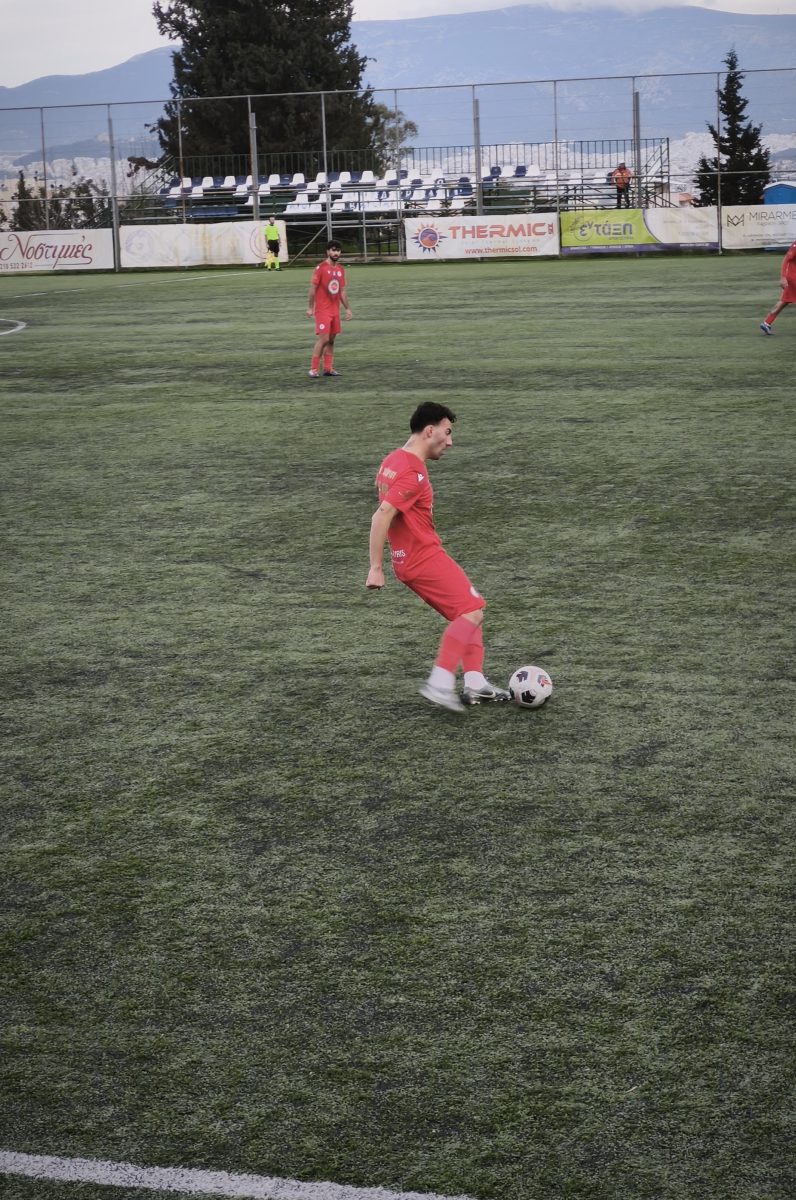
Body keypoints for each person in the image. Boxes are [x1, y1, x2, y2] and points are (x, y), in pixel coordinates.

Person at [366, 402, 509, 713]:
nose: (450, 441)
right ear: (430, 431)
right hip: (422, 556)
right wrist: (375, 567)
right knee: (471, 613)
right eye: (448, 432)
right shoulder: (413, 471)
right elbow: (381, 515)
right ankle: (440, 682)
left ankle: (475, 683)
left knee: (471, 609)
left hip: (410, 557)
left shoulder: (392, 459)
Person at [306, 239, 352, 377]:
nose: (336, 253)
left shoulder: (340, 269)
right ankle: (313, 369)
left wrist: (347, 308)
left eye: (338, 250)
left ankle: (328, 368)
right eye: (333, 250)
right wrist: (310, 307)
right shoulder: (320, 268)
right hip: (322, 310)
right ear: (328, 251)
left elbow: (341, 291)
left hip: (334, 310)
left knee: (331, 340)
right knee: (324, 339)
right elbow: (312, 289)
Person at [760, 239, 796, 335]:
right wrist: (783, 277)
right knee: (784, 301)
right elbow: (786, 259)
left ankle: (767, 323)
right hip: (793, 277)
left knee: (784, 301)